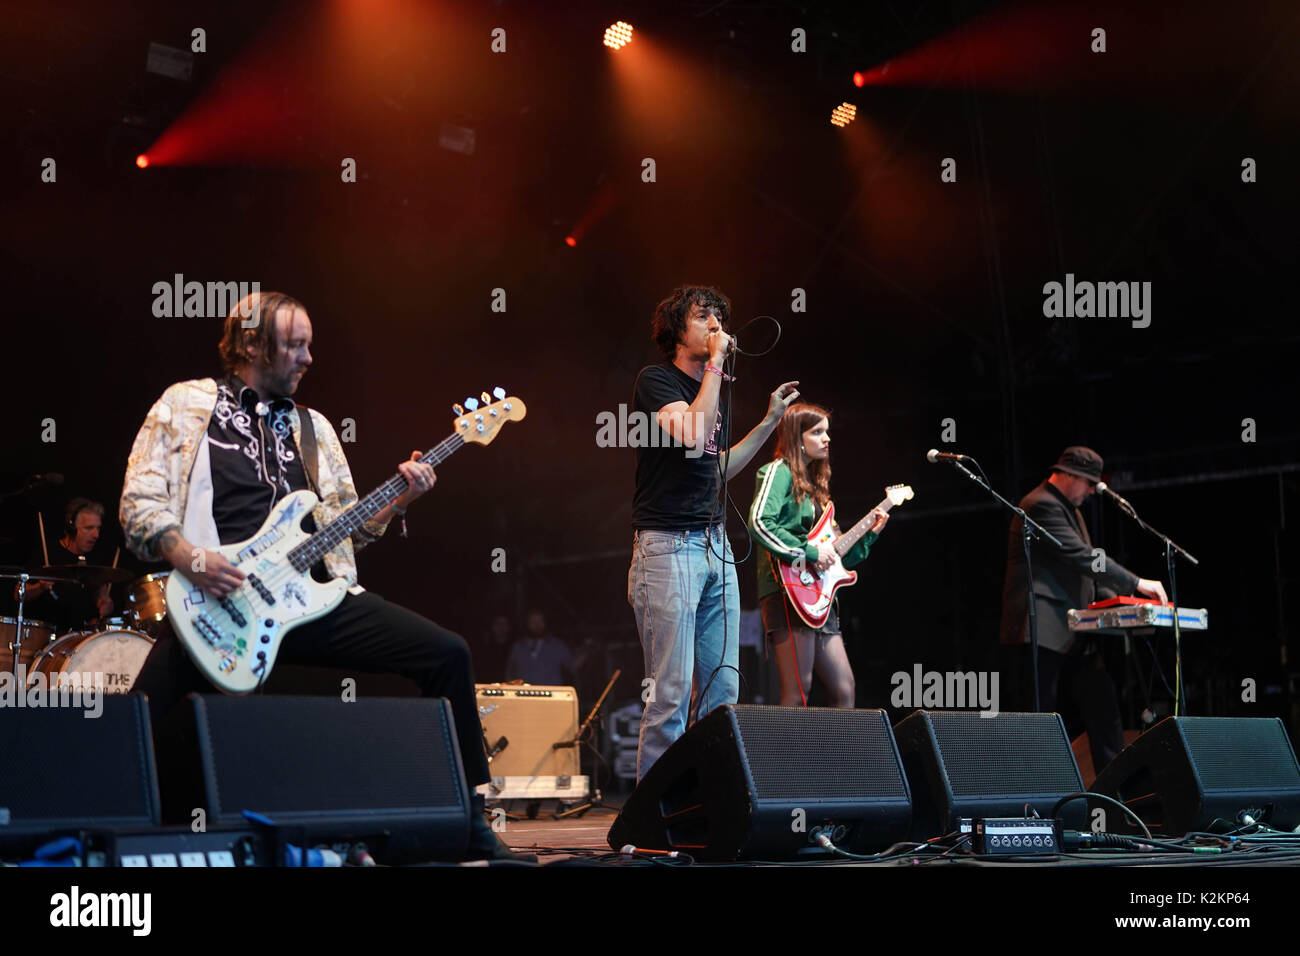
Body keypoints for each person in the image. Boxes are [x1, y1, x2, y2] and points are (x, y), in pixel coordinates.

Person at [120, 290, 519, 861]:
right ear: (253, 343)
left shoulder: (316, 429)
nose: (309, 358)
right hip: (217, 600)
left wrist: (399, 501)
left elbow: (348, 527)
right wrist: (192, 558)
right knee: (140, 728)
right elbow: (139, 504)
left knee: (447, 652)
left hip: (310, 597)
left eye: (311, 345)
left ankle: (470, 819)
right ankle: (142, 840)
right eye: (296, 345)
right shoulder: (185, 404)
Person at [628, 283, 798, 779]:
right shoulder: (656, 380)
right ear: (678, 330)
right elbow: (691, 434)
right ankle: (653, 822)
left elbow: (716, 467)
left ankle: (705, 807)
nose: (717, 326)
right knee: (671, 693)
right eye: (705, 318)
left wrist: (769, 423)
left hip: (714, 546)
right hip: (667, 549)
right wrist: (718, 368)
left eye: (720, 318)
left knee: (723, 689)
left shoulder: (711, 390)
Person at [998, 445, 1168, 773]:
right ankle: (1037, 797)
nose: (1092, 490)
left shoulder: (1069, 509)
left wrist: (1129, 602)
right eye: (1089, 483)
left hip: (1072, 629)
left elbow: (1082, 573)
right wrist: (1135, 583)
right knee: (1039, 718)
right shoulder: (1040, 504)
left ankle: (1113, 801)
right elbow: (1082, 557)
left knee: (1103, 704)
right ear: (1068, 475)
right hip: (1041, 629)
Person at [748, 403, 887, 707]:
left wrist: (869, 537)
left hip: (819, 596)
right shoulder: (778, 471)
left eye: (827, 432)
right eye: (818, 432)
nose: (827, 439)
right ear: (797, 437)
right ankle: (785, 756)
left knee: (845, 688)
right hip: (788, 590)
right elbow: (759, 522)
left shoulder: (815, 490)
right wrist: (809, 551)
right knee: (798, 691)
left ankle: (839, 756)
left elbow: (837, 560)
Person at [19, 497, 114, 630]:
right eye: (89, 528)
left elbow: (101, 593)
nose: (96, 535)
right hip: (48, 636)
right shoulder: (48, 553)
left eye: (98, 528)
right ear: (72, 528)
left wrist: (105, 602)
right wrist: (40, 586)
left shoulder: (96, 558)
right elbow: (18, 595)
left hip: (82, 638)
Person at [505, 609, 573, 685]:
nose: (536, 625)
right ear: (527, 624)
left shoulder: (558, 645)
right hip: (524, 693)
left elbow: (572, 665)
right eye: (533, 622)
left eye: (539, 621)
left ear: (545, 623)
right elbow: (510, 672)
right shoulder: (519, 646)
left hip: (551, 692)